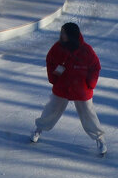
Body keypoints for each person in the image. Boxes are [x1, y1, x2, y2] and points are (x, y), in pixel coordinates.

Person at [30, 22, 107, 156]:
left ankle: (100, 139)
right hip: (62, 87)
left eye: (64, 33)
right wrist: (53, 77)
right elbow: (50, 61)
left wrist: (90, 83)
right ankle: (39, 129)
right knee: (51, 110)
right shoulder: (57, 48)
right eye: (61, 33)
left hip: (81, 88)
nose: (61, 35)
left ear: (71, 35)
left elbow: (95, 66)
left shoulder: (86, 50)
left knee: (88, 114)